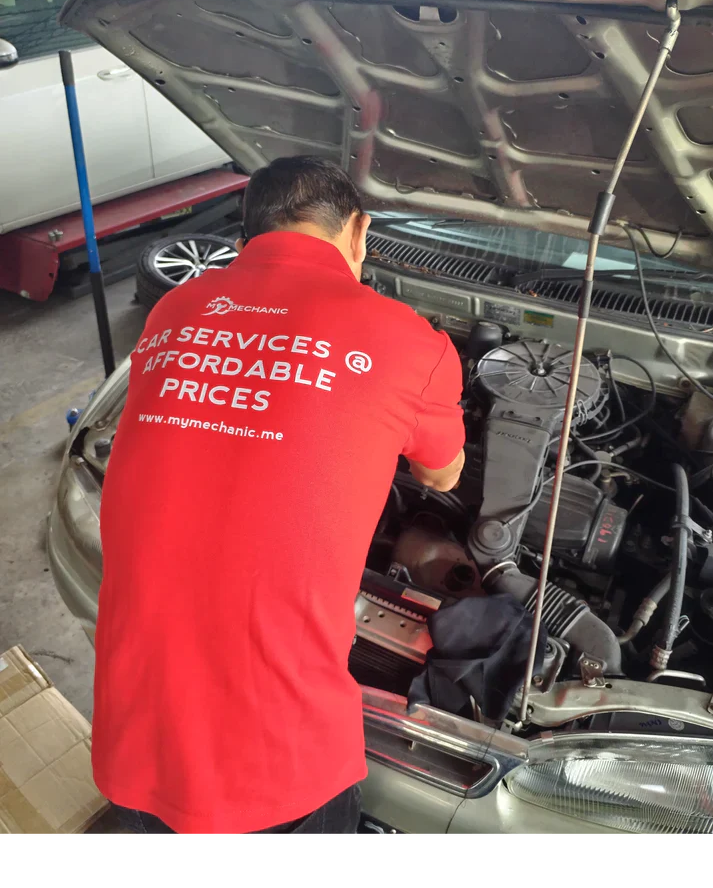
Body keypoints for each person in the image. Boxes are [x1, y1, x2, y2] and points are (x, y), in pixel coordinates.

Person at [95, 156, 465, 840]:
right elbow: (442, 477)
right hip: (282, 755)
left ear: (248, 235)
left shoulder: (175, 307)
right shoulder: (414, 341)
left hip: (137, 727)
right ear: (359, 231)